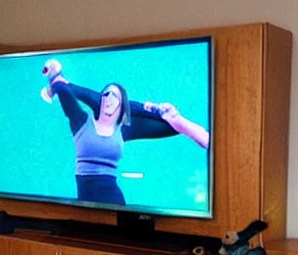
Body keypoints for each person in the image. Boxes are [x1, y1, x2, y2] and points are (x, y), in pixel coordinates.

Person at [41, 59, 209, 205]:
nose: (109, 99)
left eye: (115, 97)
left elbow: (192, 135)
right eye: (106, 95)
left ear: (122, 107)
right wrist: (56, 81)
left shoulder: (123, 130)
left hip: (112, 202)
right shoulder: (82, 121)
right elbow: (67, 94)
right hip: (86, 207)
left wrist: (172, 117)